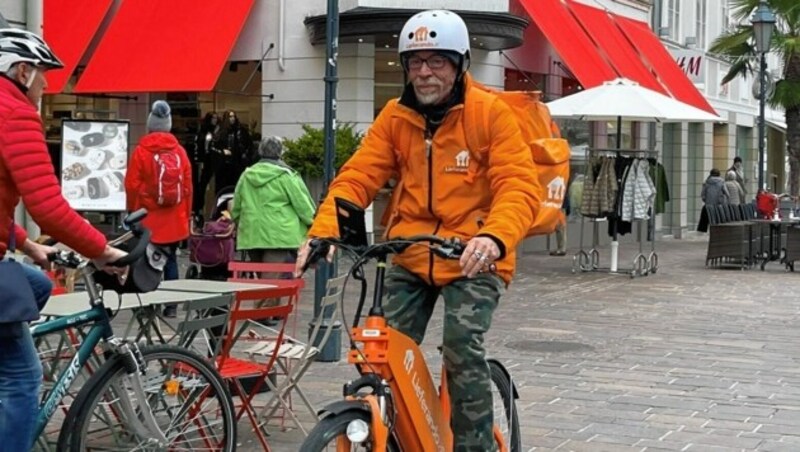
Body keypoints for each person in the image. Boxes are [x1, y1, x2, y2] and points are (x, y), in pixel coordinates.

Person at [294, 10, 538, 450]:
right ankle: (402, 430)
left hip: (472, 256)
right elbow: (358, 176)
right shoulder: (395, 116)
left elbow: (518, 187)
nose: (424, 72)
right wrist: (324, 228)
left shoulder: (491, 115)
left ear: (460, 63)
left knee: (461, 349)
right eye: (415, 62)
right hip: (410, 253)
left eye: (436, 61)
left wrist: (494, 237)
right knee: (380, 355)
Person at [0, 28, 126, 450]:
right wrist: (103, 250)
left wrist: (28, 245)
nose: (47, 86)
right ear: (21, 71)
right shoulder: (14, 112)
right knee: (22, 378)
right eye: (43, 76)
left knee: (33, 285)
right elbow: (48, 207)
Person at [232, 136, 315, 320]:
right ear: (280, 153)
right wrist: (313, 223)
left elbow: (236, 206)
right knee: (272, 275)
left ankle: (273, 311)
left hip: (252, 233)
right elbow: (304, 206)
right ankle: (263, 314)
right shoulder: (286, 176)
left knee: (262, 275)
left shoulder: (247, 175)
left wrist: (239, 222)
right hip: (280, 233)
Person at [124, 100, 193, 317]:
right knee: (170, 260)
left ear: (150, 124)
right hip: (174, 219)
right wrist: (186, 214)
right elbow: (188, 187)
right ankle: (171, 304)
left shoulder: (142, 151)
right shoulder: (180, 152)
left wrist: (132, 212)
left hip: (147, 218)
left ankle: (147, 304)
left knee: (147, 263)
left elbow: (131, 185)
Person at [215, 109, 252, 192]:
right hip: (223, 165)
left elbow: (248, 145)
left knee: (237, 186)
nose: (232, 118)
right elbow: (214, 146)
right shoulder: (220, 131)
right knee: (223, 188)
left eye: (233, 116)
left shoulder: (241, 130)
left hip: (237, 163)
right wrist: (221, 151)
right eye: (230, 116)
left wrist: (245, 158)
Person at [192, 111, 221, 217]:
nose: (215, 120)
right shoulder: (204, 133)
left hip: (214, 163)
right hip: (206, 163)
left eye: (216, 118)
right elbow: (202, 149)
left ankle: (211, 211)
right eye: (213, 118)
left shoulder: (217, 132)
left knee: (212, 187)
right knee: (202, 188)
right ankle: (200, 211)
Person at [697, 168, 729, 232]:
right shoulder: (722, 182)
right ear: (719, 174)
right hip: (718, 205)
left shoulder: (706, 182)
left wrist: (706, 201)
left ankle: (704, 229)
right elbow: (727, 194)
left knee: (705, 214)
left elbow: (703, 195)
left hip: (709, 205)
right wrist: (723, 200)